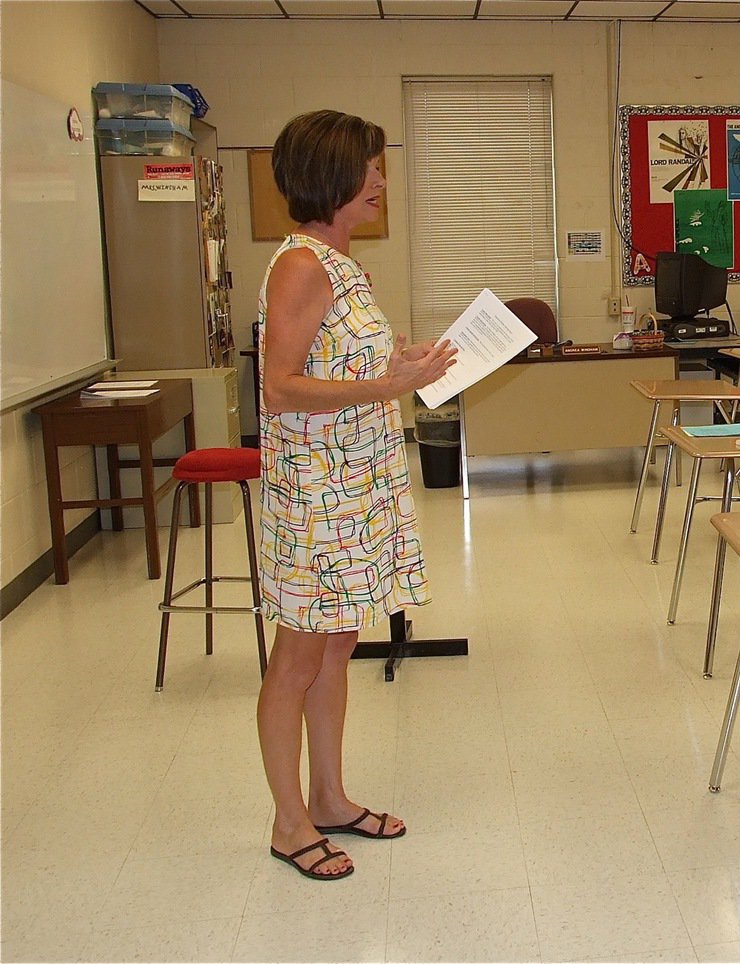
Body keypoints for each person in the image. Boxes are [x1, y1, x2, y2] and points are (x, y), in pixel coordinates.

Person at [256, 110, 458, 881]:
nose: (380, 182)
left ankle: (331, 798)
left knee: (338, 643)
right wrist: (386, 382)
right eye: (371, 169)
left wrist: (403, 365)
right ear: (334, 174)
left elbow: (337, 367)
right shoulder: (302, 264)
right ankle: (288, 822)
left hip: (356, 487)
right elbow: (278, 388)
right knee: (298, 659)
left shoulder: (341, 264)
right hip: (317, 499)